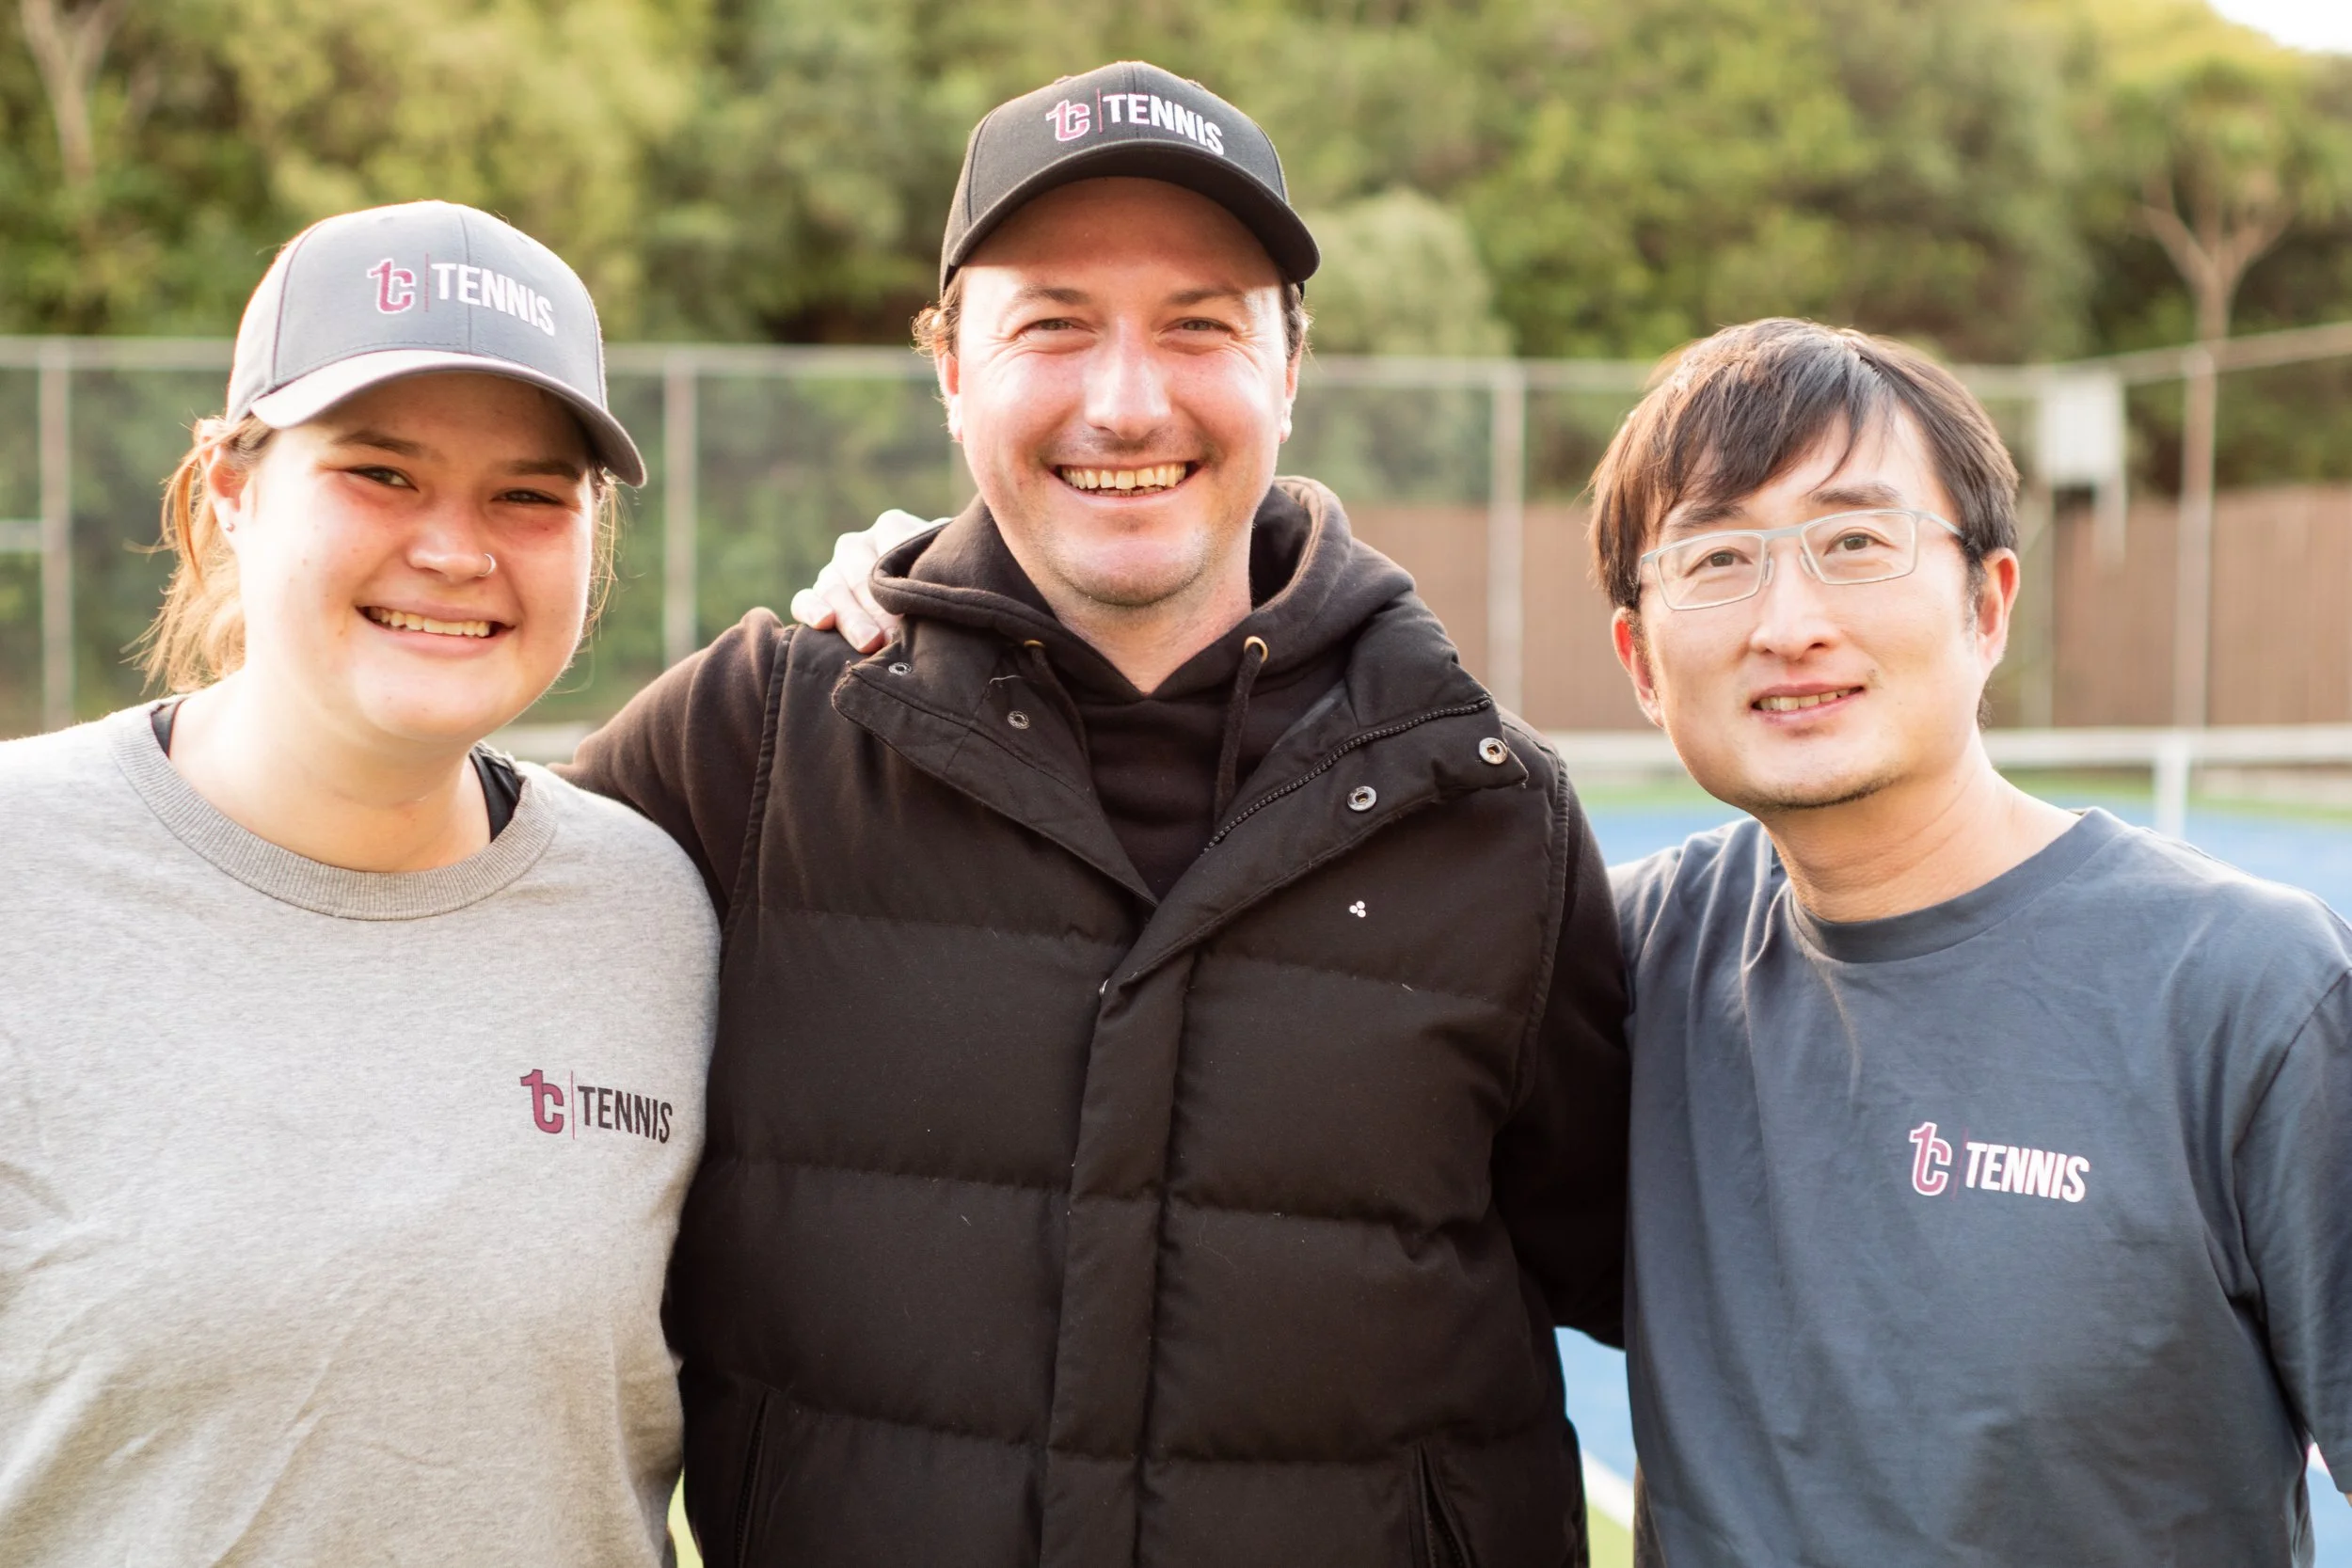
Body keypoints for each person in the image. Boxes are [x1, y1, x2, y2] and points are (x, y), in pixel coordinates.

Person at [566, 60, 1629, 1568]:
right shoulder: (748, 744)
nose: (1126, 400)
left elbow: (1695, 1275)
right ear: (949, 370)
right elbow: (431, 929)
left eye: (1200, 324)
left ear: (1289, 367)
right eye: (1051, 325)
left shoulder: (1492, 810)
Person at [0, 200, 717, 1565]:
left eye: (528, 493)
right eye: (380, 472)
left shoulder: (657, 913)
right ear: (231, 487)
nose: (456, 548)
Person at [1590, 318, 2351, 1565]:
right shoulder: (1621, 966)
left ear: (1988, 602)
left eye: (1854, 541)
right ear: (1640, 661)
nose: (1790, 620)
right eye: (1719, 557)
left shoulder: (2252, 995)